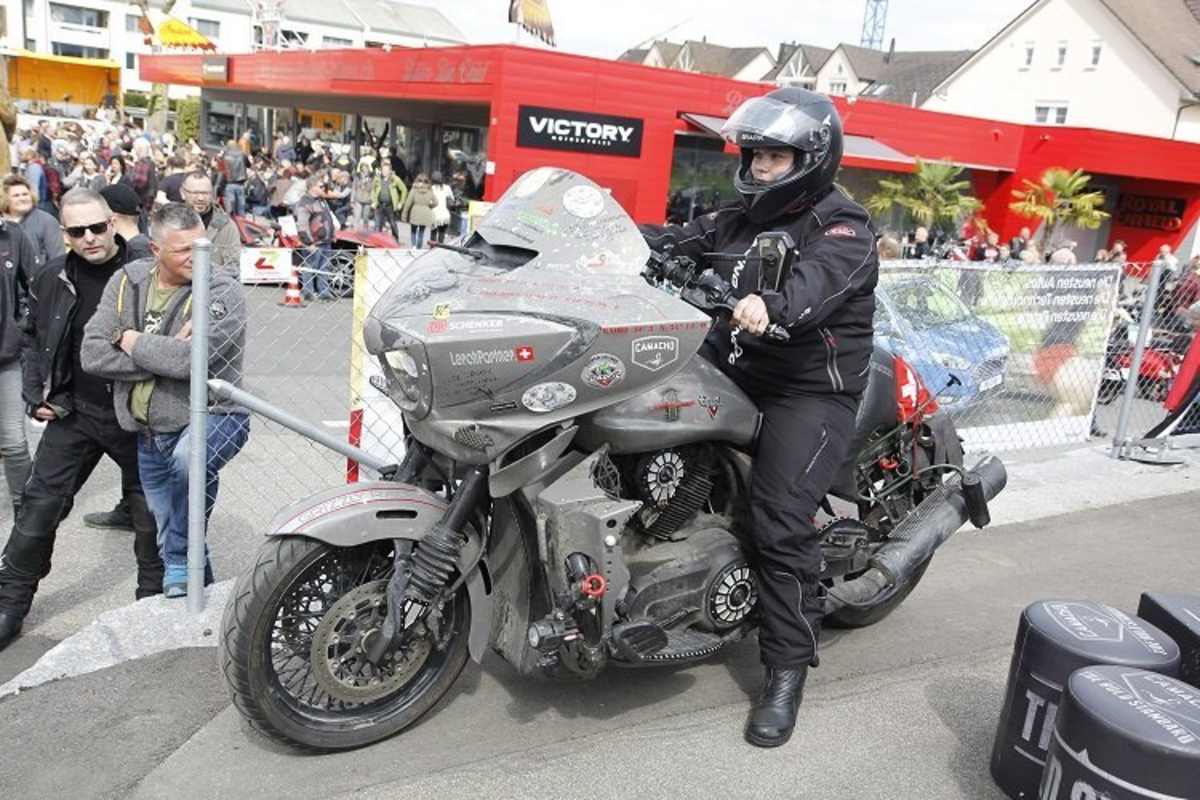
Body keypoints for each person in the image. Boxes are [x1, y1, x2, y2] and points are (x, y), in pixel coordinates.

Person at [639, 87, 878, 748]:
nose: (760, 167)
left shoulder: (844, 226)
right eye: (755, 154)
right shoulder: (733, 220)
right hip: (730, 367)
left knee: (778, 523)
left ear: (811, 157)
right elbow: (672, 241)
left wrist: (769, 304)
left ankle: (786, 672)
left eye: (775, 156)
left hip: (807, 389)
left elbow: (816, 285)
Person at [0, 189, 164, 651]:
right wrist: (36, 394)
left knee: (150, 517)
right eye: (77, 231)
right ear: (65, 233)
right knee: (38, 508)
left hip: (136, 412)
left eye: (97, 227)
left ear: (112, 222)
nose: (89, 238)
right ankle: (9, 604)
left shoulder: (144, 269)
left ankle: (151, 606)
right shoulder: (54, 274)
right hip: (76, 411)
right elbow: (32, 337)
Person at [82, 203, 249, 598]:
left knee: (188, 466)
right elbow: (92, 353)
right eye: (183, 251)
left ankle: (178, 567)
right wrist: (160, 354)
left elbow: (193, 360)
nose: (197, 257)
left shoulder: (223, 288)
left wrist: (129, 338)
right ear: (156, 251)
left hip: (215, 415)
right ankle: (200, 607)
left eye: (201, 246)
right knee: (175, 525)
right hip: (148, 432)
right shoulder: (127, 281)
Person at [0, 217, 37, 517]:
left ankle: (25, 509)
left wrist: (19, 328)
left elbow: (35, 284)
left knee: (13, 441)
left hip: (6, 357)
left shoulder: (12, 234)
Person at [180, 171, 241, 273]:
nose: (200, 198)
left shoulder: (225, 226)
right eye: (195, 193)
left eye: (205, 193)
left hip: (214, 285)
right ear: (182, 193)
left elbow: (233, 267)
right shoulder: (171, 222)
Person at [3, 175, 66, 267]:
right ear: (6, 199)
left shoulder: (47, 221)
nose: (22, 198)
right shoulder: (2, 222)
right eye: (16, 196)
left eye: (25, 194)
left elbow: (58, 259)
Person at [294, 175, 337, 301]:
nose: (324, 188)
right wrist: (308, 243)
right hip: (314, 242)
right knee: (310, 267)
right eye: (321, 186)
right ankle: (308, 292)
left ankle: (324, 292)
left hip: (325, 241)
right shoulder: (305, 203)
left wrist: (332, 234)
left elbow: (327, 218)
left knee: (324, 268)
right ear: (312, 187)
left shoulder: (321, 200)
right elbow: (302, 225)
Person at [372, 161, 407, 240]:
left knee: (393, 224)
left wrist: (401, 203)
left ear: (390, 171)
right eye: (383, 170)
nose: (385, 172)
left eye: (387, 170)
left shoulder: (395, 179)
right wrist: (374, 201)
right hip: (379, 205)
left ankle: (395, 240)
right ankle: (377, 241)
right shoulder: (377, 179)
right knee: (378, 224)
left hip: (390, 205)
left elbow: (404, 190)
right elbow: (373, 190)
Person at [402, 173, 437, 249]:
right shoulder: (429, 190)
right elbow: (436, 202)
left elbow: (408, 203)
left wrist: (404, 215)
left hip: (415, 212)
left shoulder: (414, 189)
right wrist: (429, 206)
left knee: (413, 231)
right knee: (421, 232)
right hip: (425, 213)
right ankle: (419, 248)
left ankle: (414, 246)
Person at [129, 139, 158, 214]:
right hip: (146, 201)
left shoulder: (143, 163)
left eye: (134, 149)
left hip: (142, 202)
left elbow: (139, 182)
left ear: (139, 149)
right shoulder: (150, 162)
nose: (133, 151)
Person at [222, 139, 249, 217]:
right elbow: (248, 164)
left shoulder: (225, 156)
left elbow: (222, 168)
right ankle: (242, 224)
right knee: (241, 207)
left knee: (230, 209)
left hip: (229, 183)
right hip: (240, 183)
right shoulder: (242, 154)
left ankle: (232, 225)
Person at [429, 171, 453, 244]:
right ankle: (440, 248)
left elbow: (429, 202)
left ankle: (432, 249)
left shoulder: (431, 188)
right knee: (442, 233)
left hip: (434, 215)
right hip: (444, 215)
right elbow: (452, 198)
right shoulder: (447, 188)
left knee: (433, 232)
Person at [352, 159, 376, 230]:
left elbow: (373, 190)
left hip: (367, 200)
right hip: (358, 199)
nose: (364, 172)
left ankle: (365, 232)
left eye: (366, 170)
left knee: (366, 218)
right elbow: (354, 188)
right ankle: (355, 231)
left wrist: (373, 201)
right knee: (357, 217)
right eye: (363, 170)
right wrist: (352, 200)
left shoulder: (371, 179)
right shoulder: (357, 178)